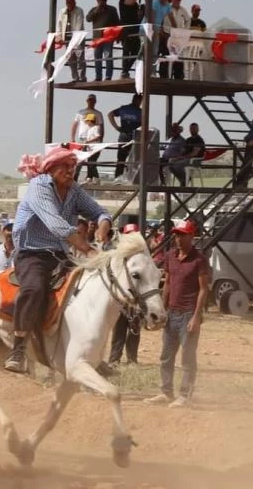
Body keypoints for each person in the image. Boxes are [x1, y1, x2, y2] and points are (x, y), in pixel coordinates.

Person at [5, 147, 112, 373]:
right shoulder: (39, 186)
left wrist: (103, 225)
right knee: (33, 289)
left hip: (61, 256)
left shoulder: (74, 190)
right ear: (51, 168)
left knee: (90, 287)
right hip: (32, 254)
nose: (71, 171)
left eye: (73, 167)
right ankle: (18, 347)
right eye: (65, 166)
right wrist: (88, 249)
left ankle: (89, 353)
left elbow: (100, 212)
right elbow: (56, 225)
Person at [144, 220, 209, 408]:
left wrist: (196, 317)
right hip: (171, 313)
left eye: (182, 235)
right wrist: (162, 309)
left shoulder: (199, 260)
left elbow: (204, 289)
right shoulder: (170, 256)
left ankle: (185, 395)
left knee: (187, 358)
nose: (178, 238)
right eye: (176, 235)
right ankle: (166, 392)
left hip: (188, 314)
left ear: (191, 236)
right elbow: (168, 283)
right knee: (166, 356)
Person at [108, 223, 143, 367]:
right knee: (118, 329)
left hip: (135, 298)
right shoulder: (118, 256)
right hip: (121, 297)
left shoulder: (142, 256)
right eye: (128, 235)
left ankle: (132, 359)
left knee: (134, 328)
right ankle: (114, 359)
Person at [85, 0, 120, 81]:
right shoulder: (94, 10)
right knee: (97, 58)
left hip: (108, 37)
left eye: (103, 0)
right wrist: (97, 10)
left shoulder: (112, 9)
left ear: (106, 0)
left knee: (108, 57)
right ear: (97, 1)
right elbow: (88, 19)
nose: (102, 2)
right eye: (100, 1)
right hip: (97, 38)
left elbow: (117, 23)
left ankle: (108, 76)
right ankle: (98, 77)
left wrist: (118, 36)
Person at [70, 94, 104, 183]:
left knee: (91, 160)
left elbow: (101, 129)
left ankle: (91, 177)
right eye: (89, 100)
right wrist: (72, 138)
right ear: (87, 101)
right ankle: (75, 178)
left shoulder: (98, 114)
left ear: (95, 101)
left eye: (92, 100)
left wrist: (100, 142)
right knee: (79, 160)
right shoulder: (80, 112)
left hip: (93, 140)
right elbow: (75, 124)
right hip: (82, 139)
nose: (91, 102)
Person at [108, 94, 143, 180]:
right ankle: (121, 178)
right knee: (128, 159)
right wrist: (116, 127)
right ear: (137, 100)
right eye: (140, 100)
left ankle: (122, 178)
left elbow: (110, 114)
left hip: (128, 136)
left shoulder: (125, 108)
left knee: (125, 159)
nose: (140, 102)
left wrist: (116, 127)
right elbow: (110, 114)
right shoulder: (138, 111)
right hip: (131, 137)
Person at [161, 0, 191, 79]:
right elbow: (160, 19)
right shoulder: (167, 8)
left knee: (178, 55)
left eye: (178, 0)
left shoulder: (183, 10)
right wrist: (162, 30)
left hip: (178, 35)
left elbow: (188, 20)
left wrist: (185, 31)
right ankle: (164, 75)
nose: (177, 1)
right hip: (168, 34)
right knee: (166, 54)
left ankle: (178, 75)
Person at [56, 0, 86, 82]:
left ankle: (82, 77)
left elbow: (79, 24)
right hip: (67, 39)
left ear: (75, 3)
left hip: (78, 38)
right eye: (69, 3)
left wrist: (75, 37)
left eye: (72, 3)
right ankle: (75, 78)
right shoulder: (62, 11)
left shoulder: (79, 10)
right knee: (70, 58)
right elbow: (59, 25)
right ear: (66, 4)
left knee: (80, 57)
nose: (70, 5)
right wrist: (59, 36)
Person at [167, 122, 206, 187]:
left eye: (194, 128)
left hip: (194, 160)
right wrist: (178, 157)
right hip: (187, 158)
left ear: (198, 129)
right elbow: (184, 151)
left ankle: (184, 180)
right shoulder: (188, 140)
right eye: (191, 129)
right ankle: (183, 179)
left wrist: (183, 157)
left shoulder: (199, 140)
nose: (192, 130)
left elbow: (194, 153)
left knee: (177, 165)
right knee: (170, 165)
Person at [118, 0, 143, 78]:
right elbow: (130, 2)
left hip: (135, 29)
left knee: (137, 51)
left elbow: (136, 12)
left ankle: (125, 70)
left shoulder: (135, 3)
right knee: (126, 50)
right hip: (126, 29)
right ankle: (124, 71)